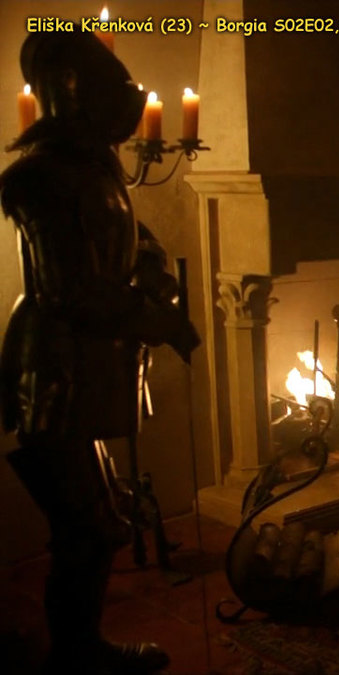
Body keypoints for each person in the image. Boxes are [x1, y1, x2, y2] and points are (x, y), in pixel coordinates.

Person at [1, 32, 198, 673]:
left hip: (88, 367)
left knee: (96, 524)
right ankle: (76, 656)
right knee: (86, 530)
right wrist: (156, 321)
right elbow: (69, 291)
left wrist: (153, 268)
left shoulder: (95, 167)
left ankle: (80, 649)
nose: (128, 94)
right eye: (111, 80)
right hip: (55, 370)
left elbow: (128, 237)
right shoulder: (40, 179)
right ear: (74, 90)